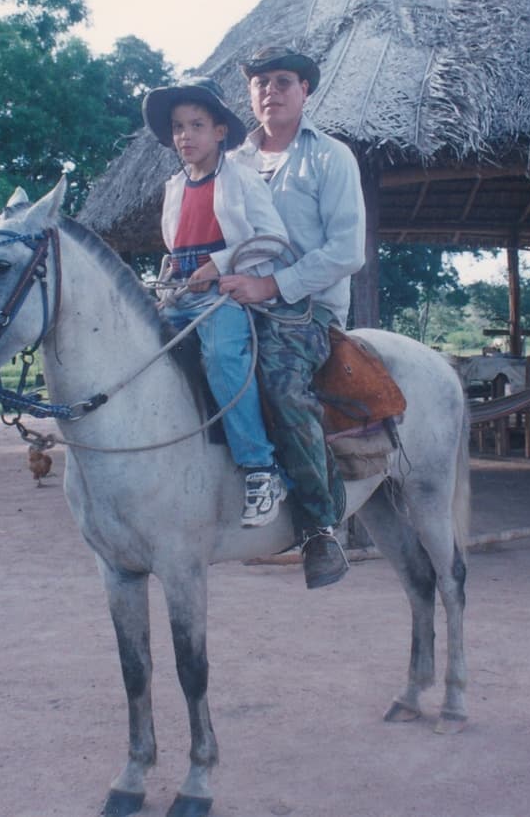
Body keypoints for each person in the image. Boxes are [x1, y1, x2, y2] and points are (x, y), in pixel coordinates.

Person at [218, 46, 366, 588]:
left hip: (308, 310)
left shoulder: (330, 158)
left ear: (306, 91)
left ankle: (320, 525)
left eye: (284, 81)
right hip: (238, 300)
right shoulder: (230, 163)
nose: (270, 91)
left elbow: (348, 250)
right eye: (261, 82)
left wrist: (272, 285)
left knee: (280, 382)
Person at [142, 76, 290, 527]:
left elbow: (274, 240)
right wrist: (171, 275)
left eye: (197, 125)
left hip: (223, 296)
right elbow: (177, 246)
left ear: (220, 132)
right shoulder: (173, 188)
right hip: (180, 294)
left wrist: (221, 265)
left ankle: (261, 469)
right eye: (178, 127)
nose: (185, 136)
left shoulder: (242, 180)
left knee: (224, 356)